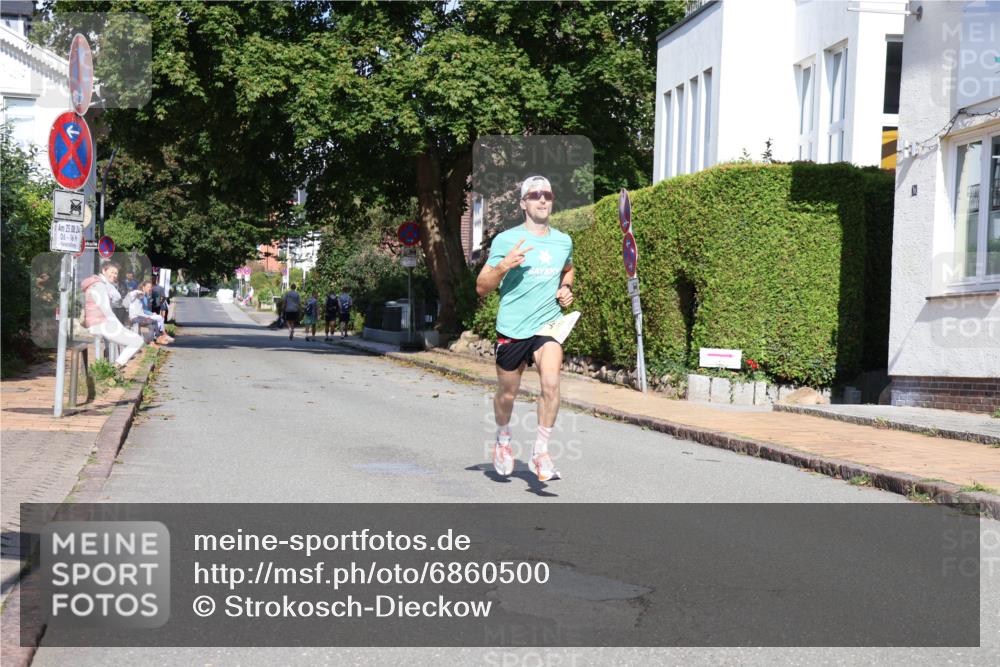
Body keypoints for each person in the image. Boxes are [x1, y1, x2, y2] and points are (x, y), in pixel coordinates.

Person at [475, 175, 574, 482]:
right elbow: (482, 287)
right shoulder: (506, 240)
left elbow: (567, 270)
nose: (542, 199)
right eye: (534, 195)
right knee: (507, 393)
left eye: (547, 194)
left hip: (548, 324)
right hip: (513, 326)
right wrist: (504, 266)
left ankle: (541, 451)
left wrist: (566, 289)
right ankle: (503, 440)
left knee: (551, 383)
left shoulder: (563, 240)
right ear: (523, 203)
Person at [82, 261, 145, 372]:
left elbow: (117, 300)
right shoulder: (99, 285)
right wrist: (118, 325)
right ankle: (114, 369)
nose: (114, 275)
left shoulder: (100, 284)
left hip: (99, 322)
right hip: (101, 324)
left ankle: (112, 367)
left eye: (116, 273)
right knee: (137, 341)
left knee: (118, 345)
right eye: (112, 272)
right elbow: (106, 310)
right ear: (103, 271)